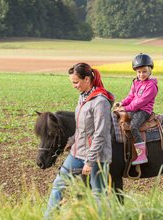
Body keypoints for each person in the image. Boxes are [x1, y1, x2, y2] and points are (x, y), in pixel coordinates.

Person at [44, 63, 115, 217]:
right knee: (59, 183)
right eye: (72, 82)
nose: (74, 86)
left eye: (76, 82)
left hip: (97, 157)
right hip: (77, 153)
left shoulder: (100, 102)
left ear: (87, 79)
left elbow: (100, 134)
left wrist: (90, 161)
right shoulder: (83, 98)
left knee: (98, 194)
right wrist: (72, 140)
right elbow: (82, 127)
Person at [115, 53, 158, 165]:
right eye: (139, 72)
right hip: (133, 109)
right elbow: (131, 97)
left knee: (134, 127)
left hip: (143, 111)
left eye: (144, 71)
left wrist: (125, 108)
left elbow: (139, 103)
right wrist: (122, 103)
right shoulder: (136, 82)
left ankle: (142, 154)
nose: (141, 74)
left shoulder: (151, 86)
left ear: (150, 71)